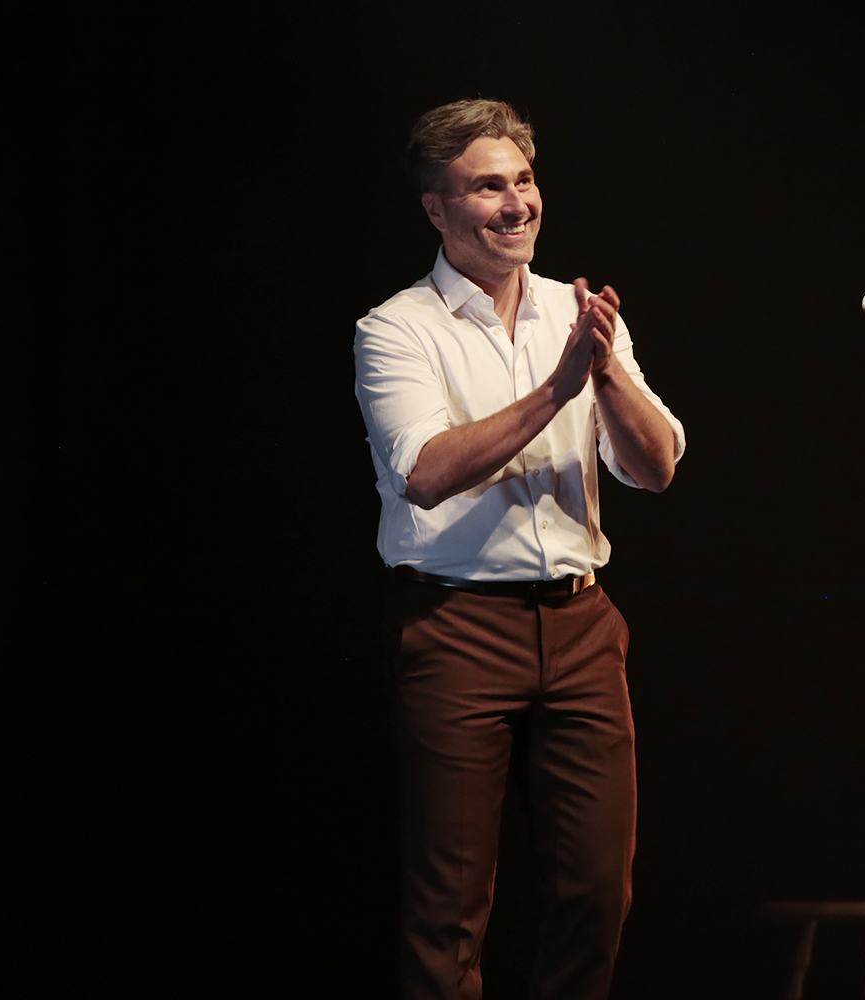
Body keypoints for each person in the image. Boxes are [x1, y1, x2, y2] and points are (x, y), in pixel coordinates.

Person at [352, 98, 685, 1000]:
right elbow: (425, 472)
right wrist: (556, 389)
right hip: (455, 628)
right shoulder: (398, 328)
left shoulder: (576, 313)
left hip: (581, 626)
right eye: (488, 187)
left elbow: (655, 468)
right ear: (437, 208)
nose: (516, 204)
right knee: (451, 908)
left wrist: (603, 370)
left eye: (525, 181)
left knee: (596, 896)